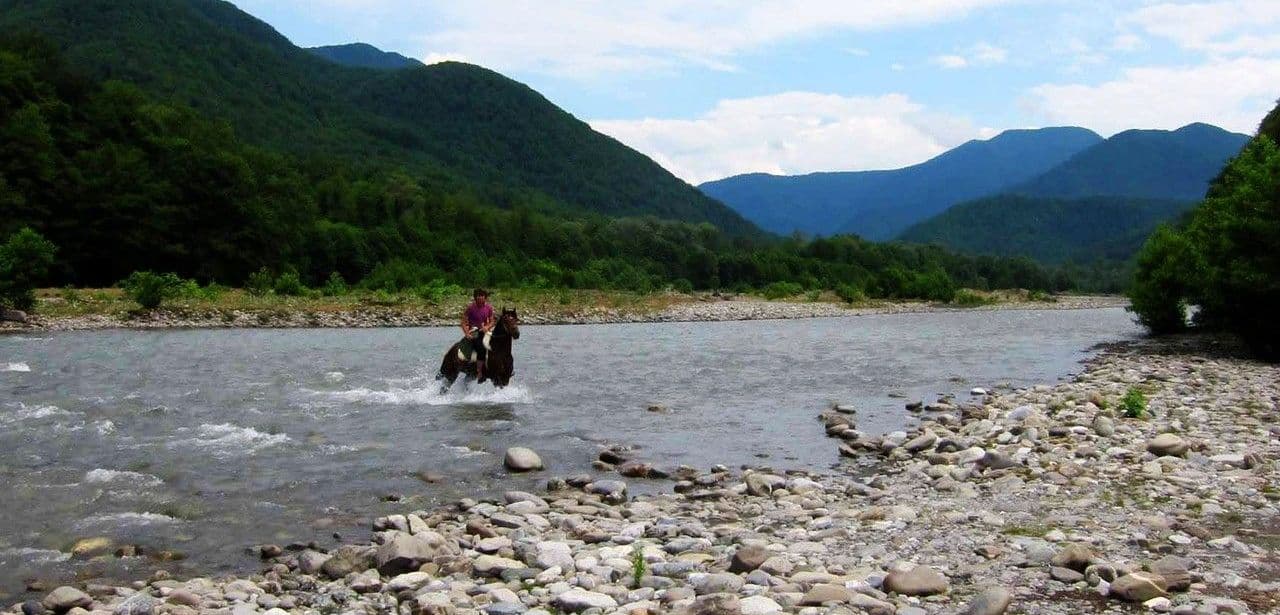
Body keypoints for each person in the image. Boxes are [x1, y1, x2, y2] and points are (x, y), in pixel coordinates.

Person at [460, 288, 495, 380]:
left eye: (481, 295)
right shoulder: (470, 308)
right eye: (478, 296)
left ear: (485, 297)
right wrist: (467, 333)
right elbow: (463, 322)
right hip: (474, 332)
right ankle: (479, 371)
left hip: (484, 331)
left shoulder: (489, 308)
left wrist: (487, 327)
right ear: (475, 297)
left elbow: (492, 321)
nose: (480, 297)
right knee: (481, 347)